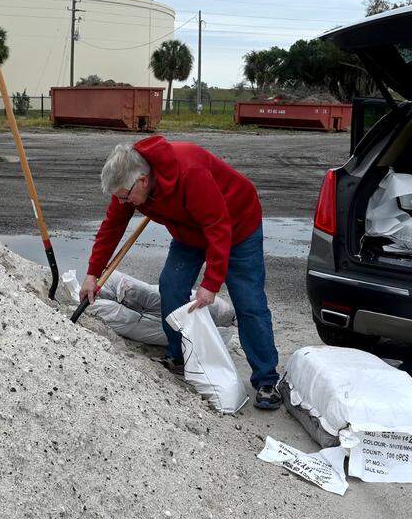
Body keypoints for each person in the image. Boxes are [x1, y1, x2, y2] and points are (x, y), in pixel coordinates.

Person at [81, 136, 280, 409]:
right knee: (171, 287)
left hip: (236, 225)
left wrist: (211, 283)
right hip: (189, 233)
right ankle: (178, 355)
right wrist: (93, 273)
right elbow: (112, 227)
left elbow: (218, 225)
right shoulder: (127, 185)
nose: (123, 202)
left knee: (249, 301)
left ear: (142, 181)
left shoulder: (189, 172)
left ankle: (266, 379)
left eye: (125, 197)